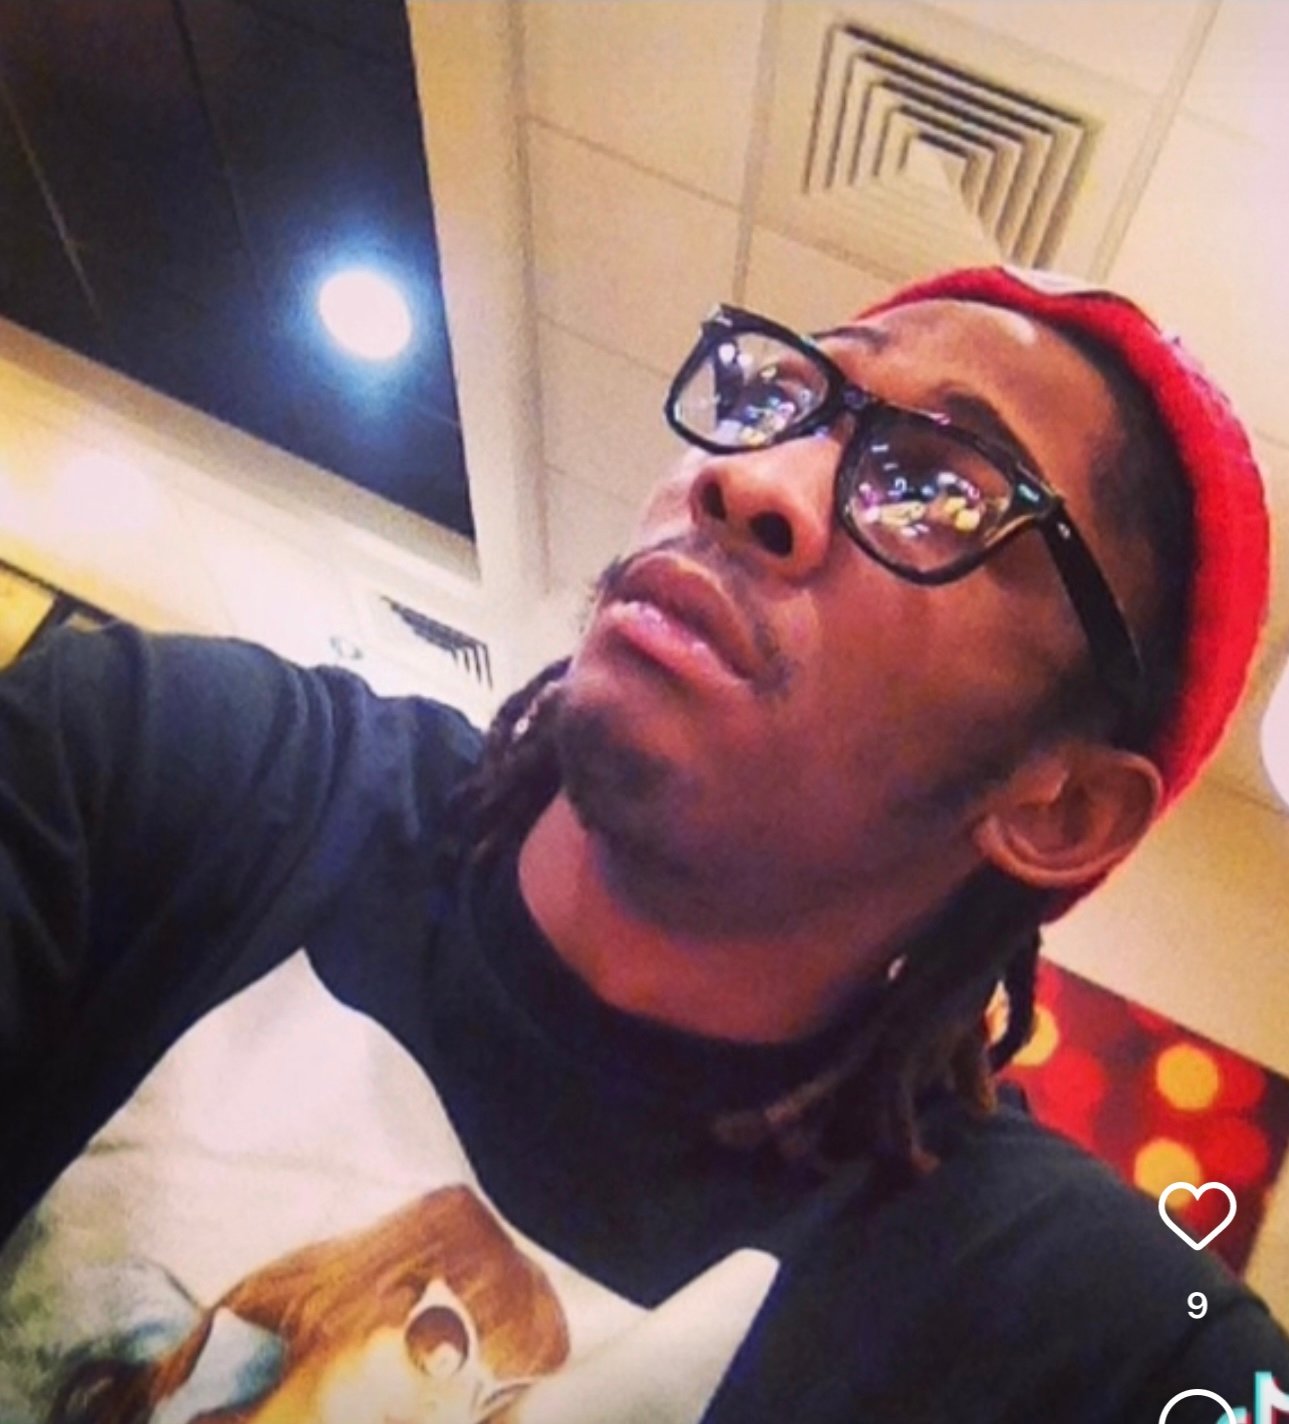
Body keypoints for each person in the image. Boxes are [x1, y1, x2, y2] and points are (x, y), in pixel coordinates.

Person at [0, 265, 1284, 1424]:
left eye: (937, 488)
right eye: (783, 396)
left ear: (1058, 810)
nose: (753, 479)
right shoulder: (184, 762)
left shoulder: (1079, 1338)